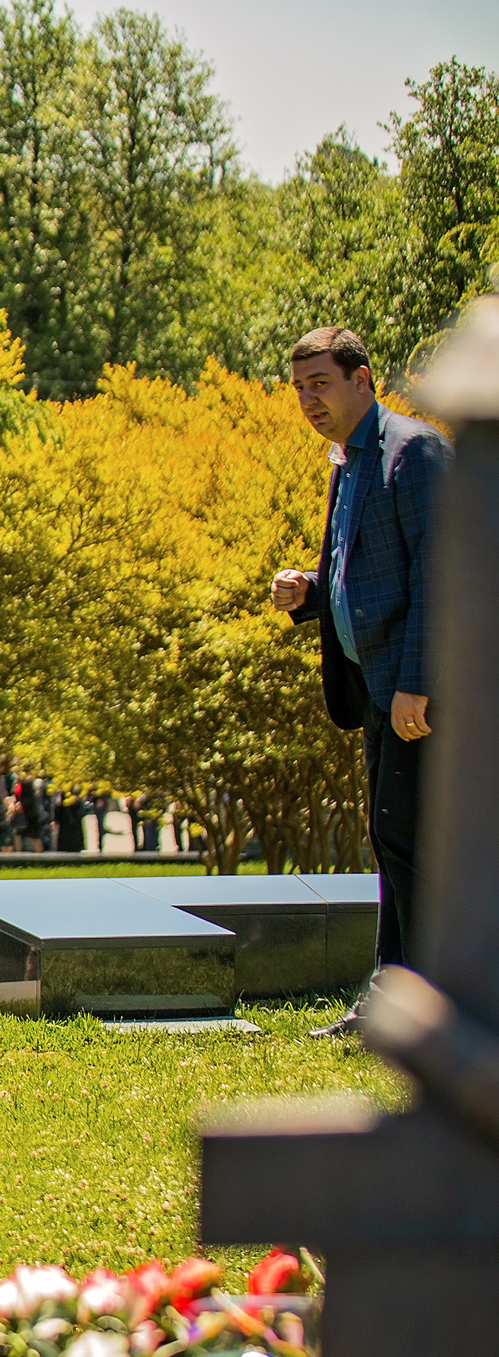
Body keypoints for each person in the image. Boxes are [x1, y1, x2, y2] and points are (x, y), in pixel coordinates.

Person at [268, 324, 450, 1037]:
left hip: (414, 692)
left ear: (364, 379)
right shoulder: (348, 458)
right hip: (377, 686)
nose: (309, 400)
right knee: (391, 839)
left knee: (406, 841)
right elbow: (369, 569)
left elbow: (440, 575)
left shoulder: (415, 452)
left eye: (321, 383)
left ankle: (421, 1008)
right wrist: (310, 591)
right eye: (300, 388)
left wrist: (418, 682)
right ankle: (395, 1002)